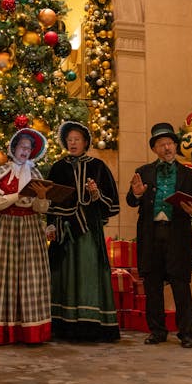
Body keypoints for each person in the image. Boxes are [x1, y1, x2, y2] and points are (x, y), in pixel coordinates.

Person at [126, 122, 192, 348]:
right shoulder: (144, 172)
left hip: (177, 234)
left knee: (180, 285)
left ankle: (186, 333)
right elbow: (131, 201)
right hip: (151, 235)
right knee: (152, 285)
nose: (166, 148)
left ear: (176, 146)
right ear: (154, 149)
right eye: (161, 144)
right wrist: (136, 194)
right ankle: (158, 331)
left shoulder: (188, 174)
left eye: (169, 143)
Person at [47, 120, 120, 342]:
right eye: (69, 140)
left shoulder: (98, 167)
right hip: (65, 232)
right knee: (66, 274)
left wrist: (96, 193)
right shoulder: (57, 168)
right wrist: (51, 224)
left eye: (77, 139)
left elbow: (112, 203)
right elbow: (49, 199)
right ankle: (64, 325)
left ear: (86, 142)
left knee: (87, 273)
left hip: (89, 230)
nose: (73, 143)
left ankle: (90, 325)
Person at [0, 128, 52, 345]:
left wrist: (41, 197)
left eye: (29, 148)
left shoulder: (37, 175)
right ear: (13, 148)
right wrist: (17, 196)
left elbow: (41, 208)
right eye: (22, 146)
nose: (25, 151)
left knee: (32, 277)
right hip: (5, 228)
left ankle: (31, 331)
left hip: (31, 229)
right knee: (2, 278)